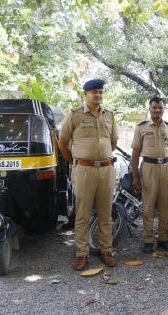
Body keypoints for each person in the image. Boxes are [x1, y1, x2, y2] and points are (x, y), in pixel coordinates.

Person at [59, 79, 118, 270]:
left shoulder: (109, 115)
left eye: (100, 92)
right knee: (83, 215)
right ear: (86, 94)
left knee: (105, 214)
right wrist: (75, 162)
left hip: (106, 170)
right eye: (94, 92)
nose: (98, 95)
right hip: (84, 170)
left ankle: (106, 251)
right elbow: (62, 142)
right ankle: (81, 254)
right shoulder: (74, 115)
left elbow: (113, 142)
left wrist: (102, 157)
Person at [131, 96, 168, 254]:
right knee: (148, 205)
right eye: (154, 108)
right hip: (148, 167)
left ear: (164, 109)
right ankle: (149, 239)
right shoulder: (141, 127)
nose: (157, 110)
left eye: (160, 108)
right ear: (150, 109)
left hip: (165, 168)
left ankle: (163, 238)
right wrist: (135, 176)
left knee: (166, 205)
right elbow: (136, 153)